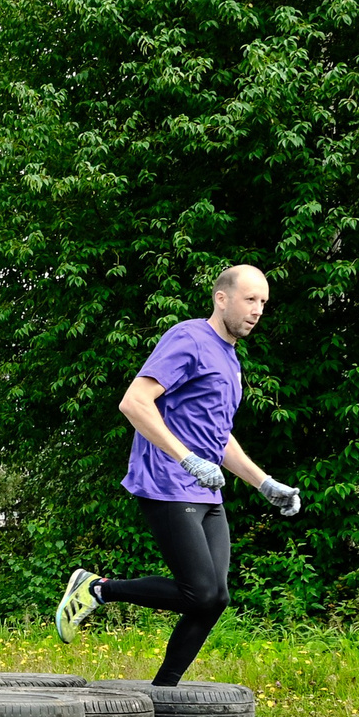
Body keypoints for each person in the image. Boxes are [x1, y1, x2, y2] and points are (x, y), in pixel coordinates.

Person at [55, 265, 303, 684]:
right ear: (221, 298)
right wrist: (186, 458)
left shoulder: (231, 358)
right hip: (167, 482)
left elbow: (219, 438)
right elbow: (134, 403)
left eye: (263, 302)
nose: (258, 310)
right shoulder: (189, 338)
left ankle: (163, 692)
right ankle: (98, 589)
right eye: (250, 300)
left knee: (214, 599)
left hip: (206, 491)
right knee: (200, 592)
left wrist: (263, 482)